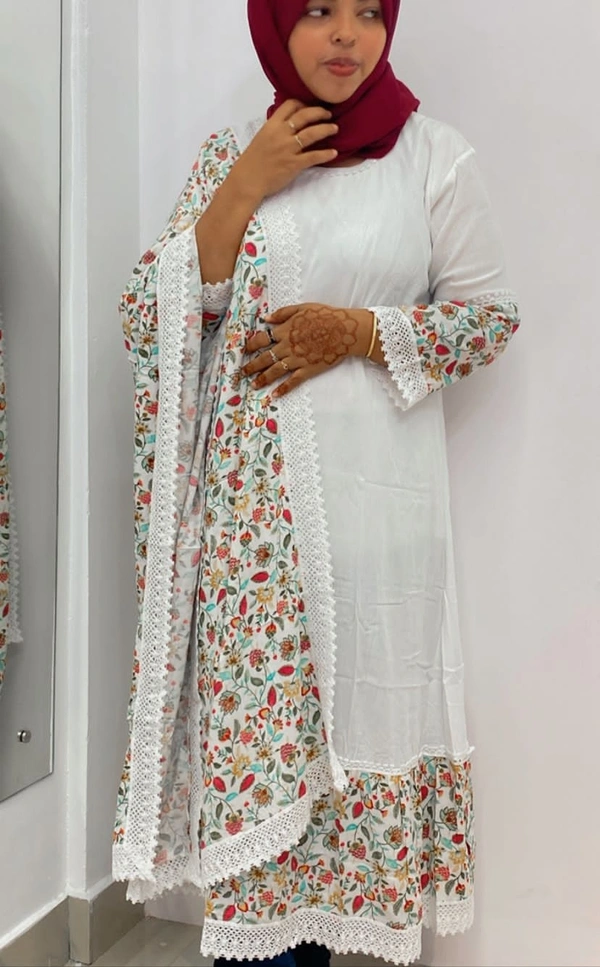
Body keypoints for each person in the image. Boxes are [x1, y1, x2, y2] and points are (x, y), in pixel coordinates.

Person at [113, 1, 520, 965]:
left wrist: (360, 331)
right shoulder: (234, 157)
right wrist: (244, 187)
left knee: (350, 752)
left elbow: (489, 318)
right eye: (318, 11)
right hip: (249, 546)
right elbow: (147, 317)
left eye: (367, 11)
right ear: (275, 26)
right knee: (260, 774)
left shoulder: (431, 157)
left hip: (372, 525)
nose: (346, 35)